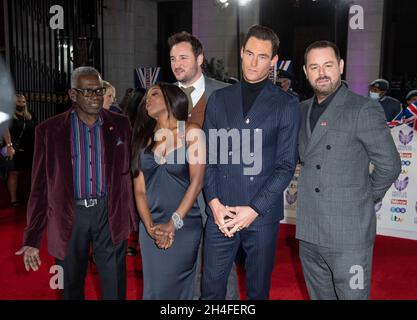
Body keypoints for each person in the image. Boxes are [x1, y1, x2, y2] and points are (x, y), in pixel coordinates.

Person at [15, 67, 138, 300]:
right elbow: (39, 189)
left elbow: (132, 173)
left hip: (108, 215)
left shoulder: (121, 125)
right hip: (68, 218)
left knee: (115, 288)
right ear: (73, 95)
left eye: (99, 90)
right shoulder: (49, 131)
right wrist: (32, 238)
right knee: (69, 288)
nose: (95, 96)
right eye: (87, 91)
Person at [297, 40, 401, 300]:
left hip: (349, 235)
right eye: (314, 66)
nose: (321, 72)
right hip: (310, 233)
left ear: (341, 66)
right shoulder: (299, 111)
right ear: (305, 71)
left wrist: (362, 199)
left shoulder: (363, 108)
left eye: (328, 65)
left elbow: (390, 165)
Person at [202, 25, 300, 300]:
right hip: (220, 214)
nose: (254, 62)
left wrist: (254, 209)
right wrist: (214, 204)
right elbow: (208, 157)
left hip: (261, 215)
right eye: (249, 54)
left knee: (258, 292)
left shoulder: (286, 104)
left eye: (262, 56)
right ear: (241, 52)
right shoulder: (219, 99)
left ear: (273, 61)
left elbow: (285, 166)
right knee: (211, 292)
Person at [168, 30, 240, 300]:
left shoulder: (226, 94)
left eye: (184, 57)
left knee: (220, 266)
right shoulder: (162, 95)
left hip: (216, 197)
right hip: (175, 197)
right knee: (181, 267)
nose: (177, 63)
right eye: (173, 58)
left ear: (200, 59)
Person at [131, 83, 205, 299]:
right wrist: (150, 227)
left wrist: (173, 223)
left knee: (179, 291)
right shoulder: (142, 139)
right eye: (146, 96)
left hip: (183, 225)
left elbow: (197, 182)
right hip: (151, 226)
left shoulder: (192, 132)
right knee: (154, 290)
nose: (147, 99)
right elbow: (140, 191)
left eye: (154, 94)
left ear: (172, 98)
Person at [6, 94, 37, 207]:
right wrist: (9, 146)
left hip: (28, 147)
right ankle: (14, 200)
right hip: (14, 148)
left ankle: (24, 197)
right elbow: (5, 130)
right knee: (14, 173)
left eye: (23, 102)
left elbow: (36, 129)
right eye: (19, 102)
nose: (22, 104)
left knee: (25, 173)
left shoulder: (30, 115)